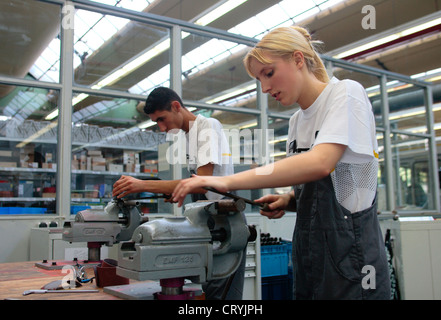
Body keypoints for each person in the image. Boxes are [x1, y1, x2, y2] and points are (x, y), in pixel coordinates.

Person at [171, 26, 391, 300]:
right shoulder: (296, 121)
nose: (264, 88)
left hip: (353, 258)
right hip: (309, 256)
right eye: (259, 79)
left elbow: (322, 162)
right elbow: (324, 182)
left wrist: (224, 180)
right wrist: (290, 199)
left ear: (298, 59)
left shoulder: (346, 94)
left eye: (269, 73)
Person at [112, 86, 245, 300]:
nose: (162, 128)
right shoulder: (187, 135)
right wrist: (173, 191)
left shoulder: (207, 126)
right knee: (210, 290)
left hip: (226, 223)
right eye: (157, 123)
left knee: (222, 294)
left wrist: (142, 185)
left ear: (176, 106)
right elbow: (194, 183)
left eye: (162, 119)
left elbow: (203, 184)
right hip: (206, 221)